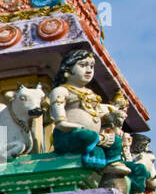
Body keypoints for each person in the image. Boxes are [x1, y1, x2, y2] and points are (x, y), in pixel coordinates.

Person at [49, 47, 130, 178]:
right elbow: (60, 123)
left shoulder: (91, 94)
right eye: (82, 65)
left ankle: (112, 163)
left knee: (116, 141)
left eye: (91, 66)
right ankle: (96, 146)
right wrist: (97, 137)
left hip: (92, 137)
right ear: (67, 71)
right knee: (85, 136)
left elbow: (98, 115)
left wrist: (112, 116)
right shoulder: (61, 91)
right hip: (68, 135)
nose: (89, 70)